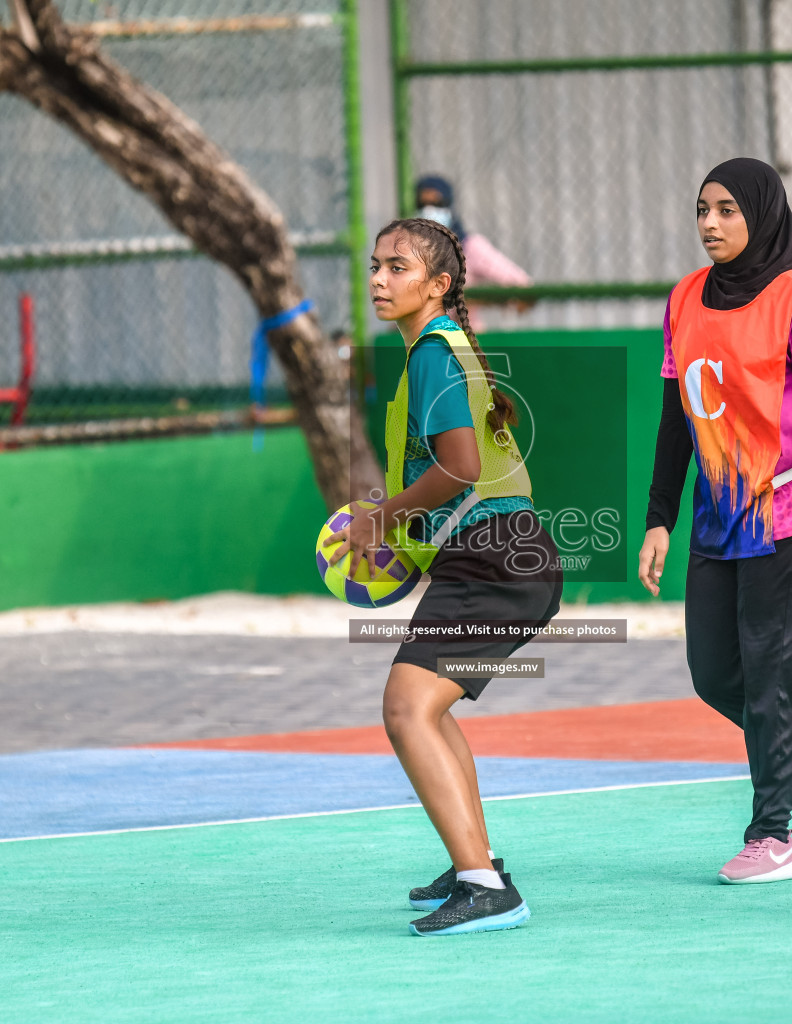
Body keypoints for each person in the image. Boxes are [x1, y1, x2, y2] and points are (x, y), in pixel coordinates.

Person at [638, 158, 792, 885]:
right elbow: (674, 419)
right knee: (718, 677)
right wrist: (660, 518)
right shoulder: (685, 298)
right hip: (717, 519)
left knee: (771, 680)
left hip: (785, 513)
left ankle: (773, 836)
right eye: (702, 210)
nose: (710, 224)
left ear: (762, 215)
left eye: (727, 211)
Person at [329, 217, 563, 936]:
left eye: (397, 268)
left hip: (497, 556)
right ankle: (478, 861)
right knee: (427, 707)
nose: (378, 279)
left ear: (436, 286)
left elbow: (460, 466)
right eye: (375, 265)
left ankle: (486, 886)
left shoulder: (432, 351)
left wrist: (385, 516)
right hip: (498, 554)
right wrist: (405, 527)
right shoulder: (438, 350)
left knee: (405, 708)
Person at [415, 175, 535, 300]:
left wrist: (473, 297)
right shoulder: (408, 249)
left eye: (438, 204)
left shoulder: (469, 247)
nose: (428, 210)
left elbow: (521, 284)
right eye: (422, 204)